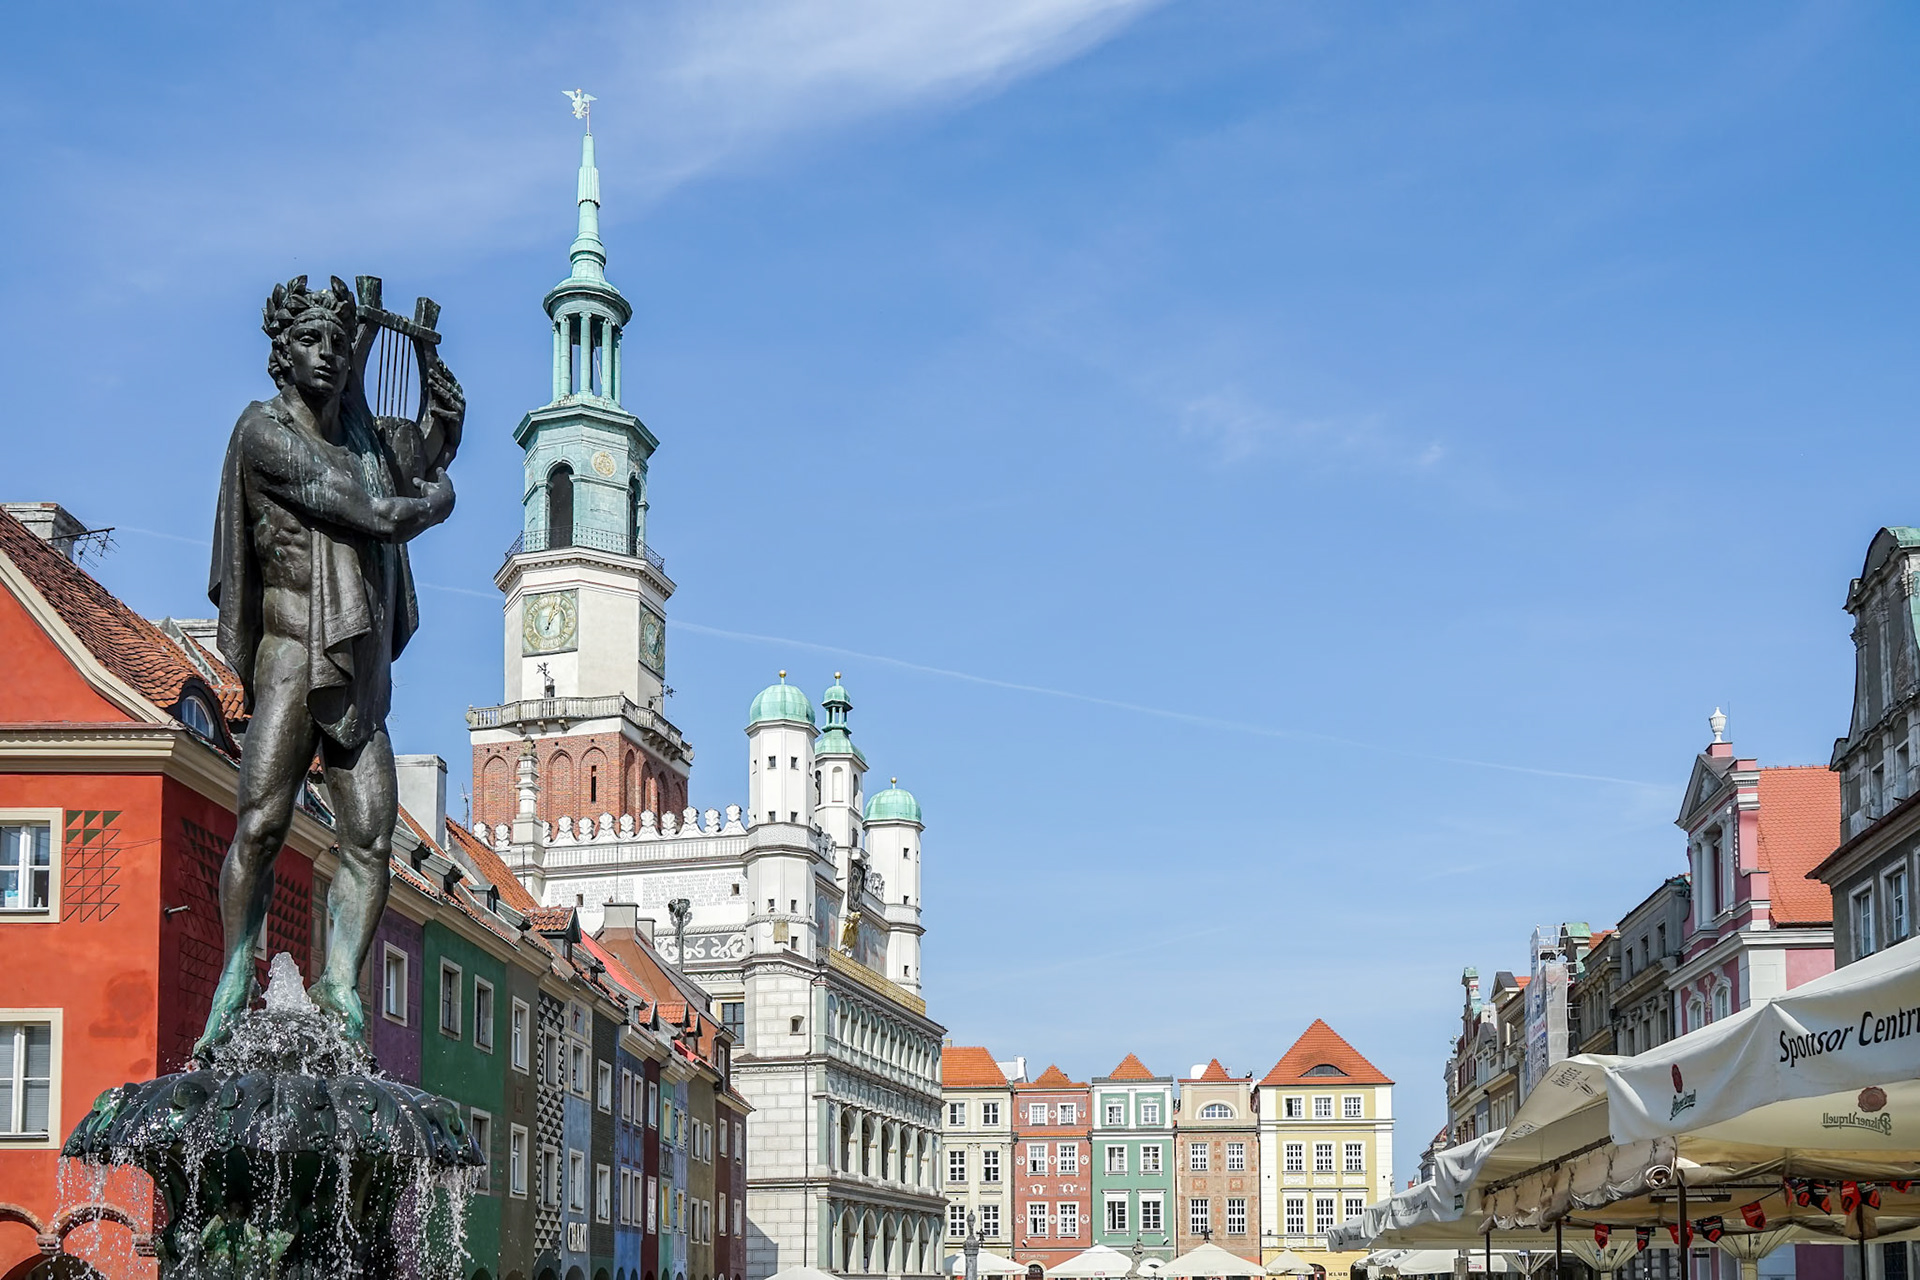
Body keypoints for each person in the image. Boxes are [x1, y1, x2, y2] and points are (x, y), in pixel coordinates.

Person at [196, 275, 461, 1057]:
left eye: (340, 344)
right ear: (282, 354)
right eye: (312, 341)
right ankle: (237, 967)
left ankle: (340, 980)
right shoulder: (265, 434)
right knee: (263, 822)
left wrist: (443, 418)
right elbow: (376, 507)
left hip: (356, 674)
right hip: (287, 653)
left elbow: (411, 456)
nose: (330, 355)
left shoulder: (360, 441)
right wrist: (440, 502)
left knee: (372, 834)